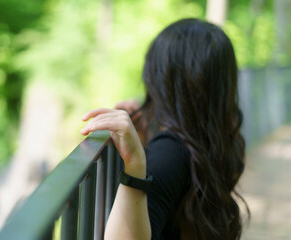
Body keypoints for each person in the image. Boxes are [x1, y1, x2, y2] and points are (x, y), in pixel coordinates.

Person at [81, 18, 249, 240]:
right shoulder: (219, 142)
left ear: (162, 81)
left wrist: (136, 166)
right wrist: (144, 143)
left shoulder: (168, 153)